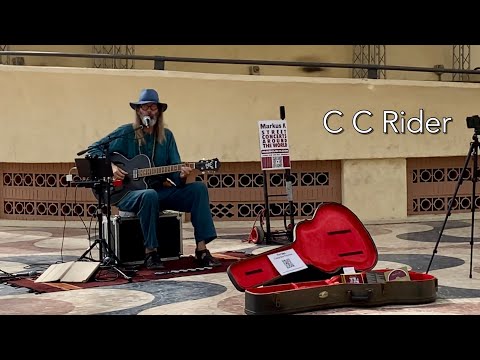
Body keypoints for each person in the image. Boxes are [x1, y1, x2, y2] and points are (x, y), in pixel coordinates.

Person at [87, 88, 221, 270]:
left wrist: (182, 174)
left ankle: (201, 249)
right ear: (138, 111)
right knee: (149, 195)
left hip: (158, 192)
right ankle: (151, 252)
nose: (149, 111)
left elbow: (175, 172)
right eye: (145, 107)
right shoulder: (126, 133)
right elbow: (93, 150)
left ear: (159, 111)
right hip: (127, 194)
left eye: (153, 107)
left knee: (198, 189)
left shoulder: (167, 137)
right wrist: (112, 168)